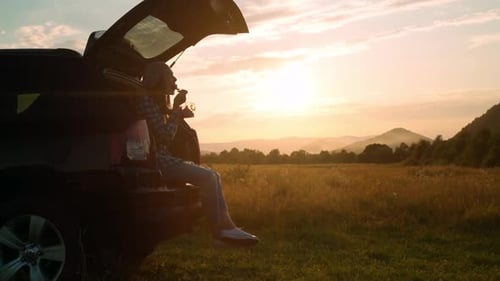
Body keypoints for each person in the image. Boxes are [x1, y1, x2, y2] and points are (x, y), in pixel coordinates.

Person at [136, 62, 259, 247]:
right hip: (159, 161)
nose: (175, 79)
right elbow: (164, 136)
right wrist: (177, 109)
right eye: (171, 75)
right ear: (160, 78)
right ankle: (220, 233)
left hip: (163, 159)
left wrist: (176, 111)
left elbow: (162, 128)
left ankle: (228, 228)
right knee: (208, 177)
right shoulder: (146, 100)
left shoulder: (154, 101)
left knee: (214, 175)